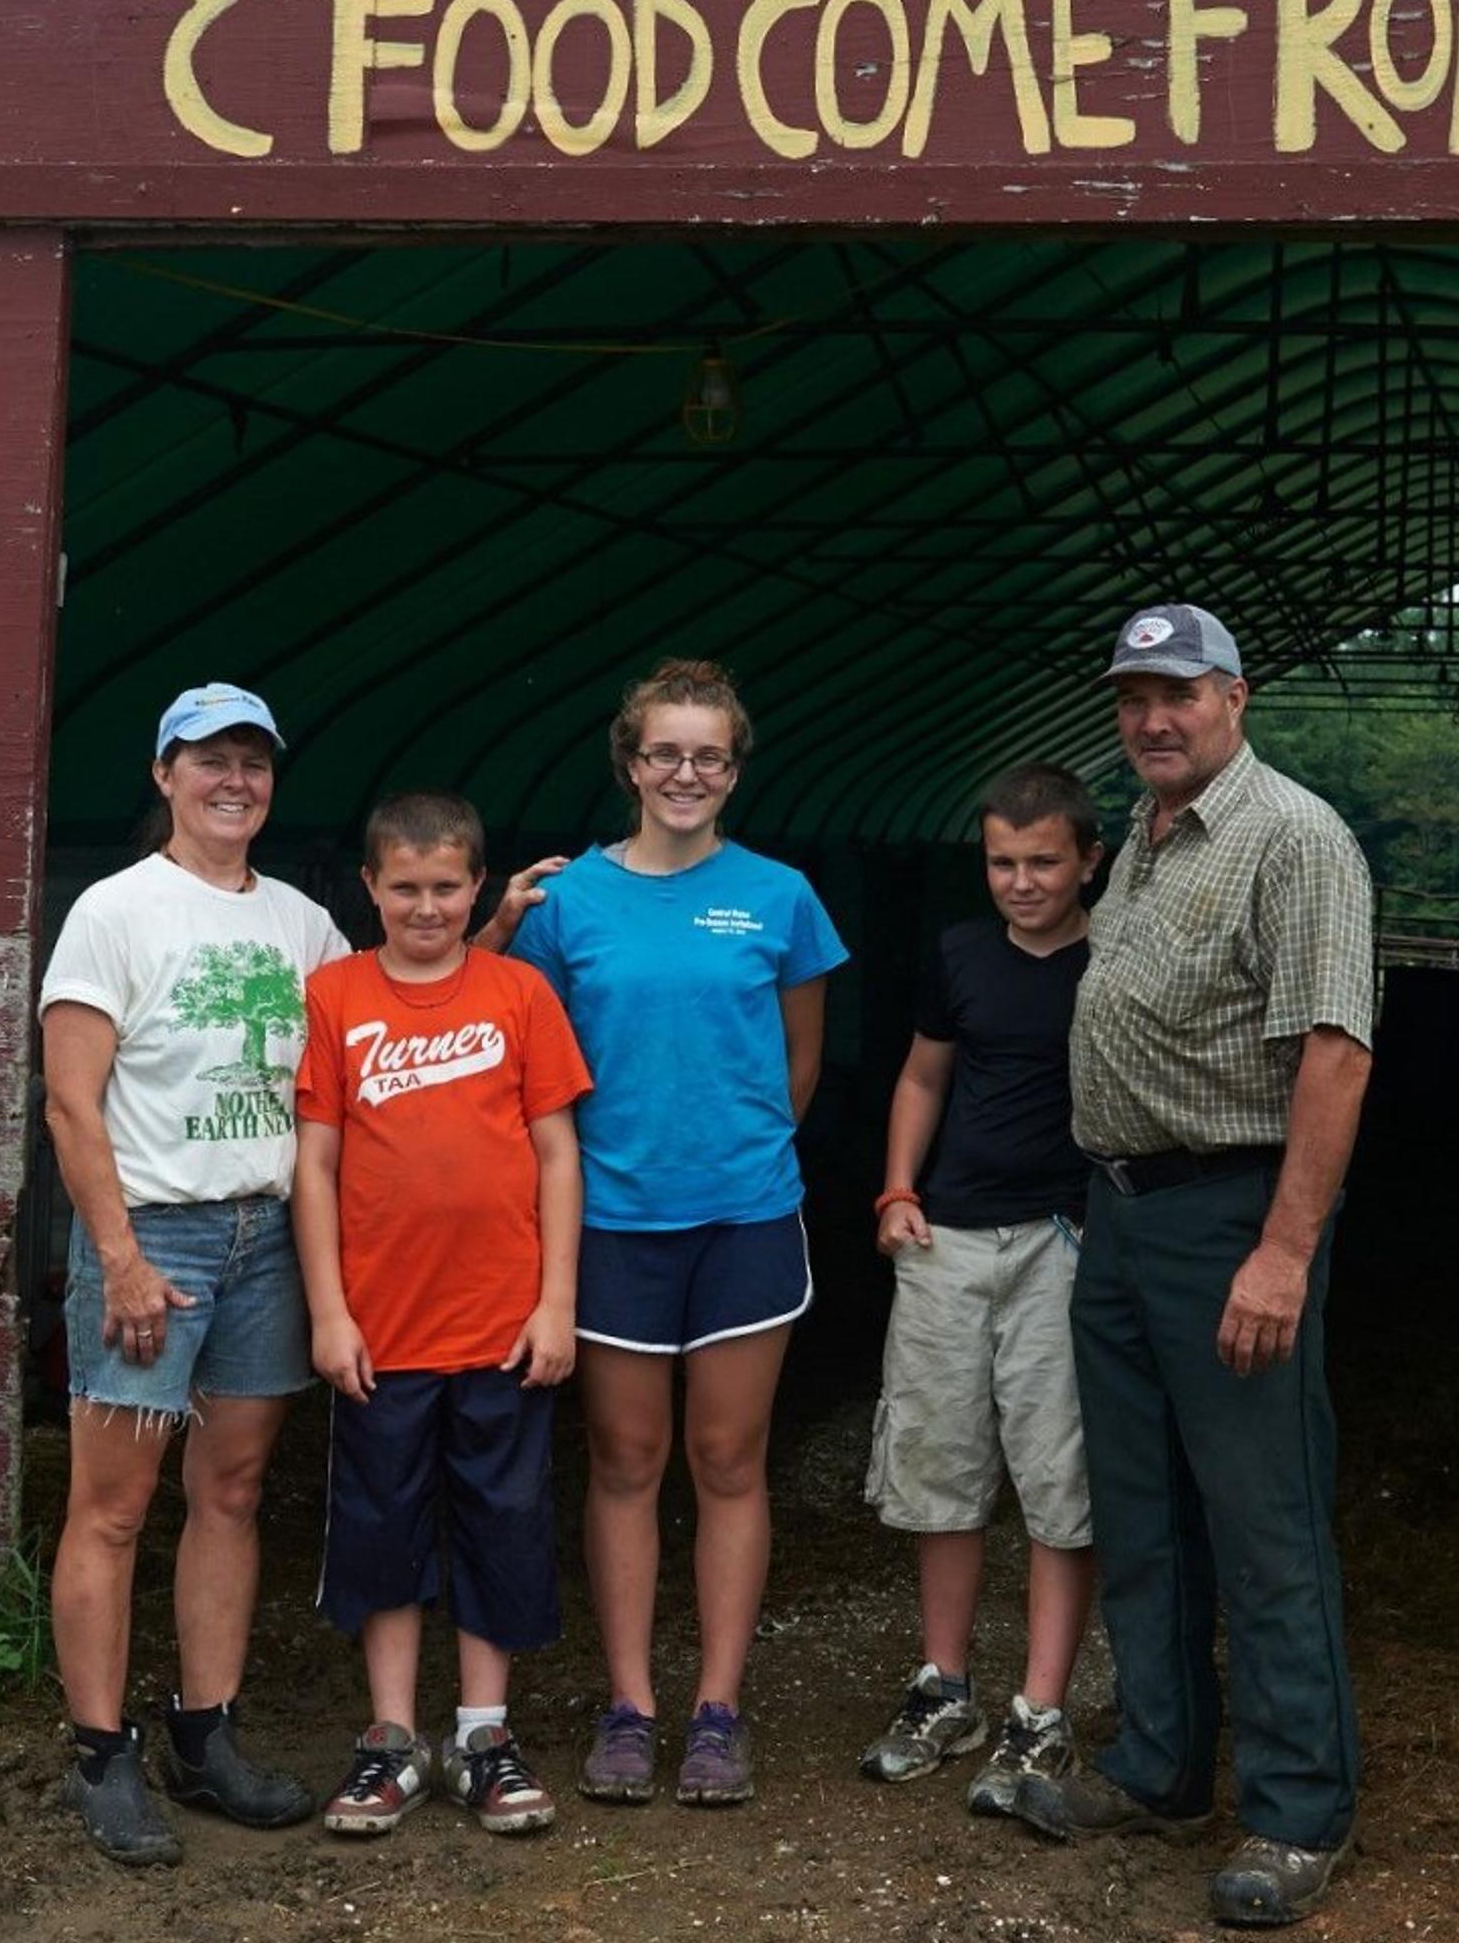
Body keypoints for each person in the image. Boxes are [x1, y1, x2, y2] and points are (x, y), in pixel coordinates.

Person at [1012, 605, 1376, 1932]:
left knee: (1263, 1513)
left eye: (1179, 692)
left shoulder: (1295, 836)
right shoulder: (1153, 838)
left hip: (1232, 1210)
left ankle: (1296, 1809)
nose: (1153, 717)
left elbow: (1335, 1049)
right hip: (1123, 1210)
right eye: (1133, 696)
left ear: (1236, 694)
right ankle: (1161, 1766)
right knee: (1145, 1507)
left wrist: (1286, 1249)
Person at [489, 659, 848, 1809]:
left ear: (735, 770)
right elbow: (511, 1044)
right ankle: (631, 1704)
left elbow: (799, 1060)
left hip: (743, 1218)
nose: (686, 772)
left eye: (709, 755)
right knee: (626, 1460)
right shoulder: (569, 904)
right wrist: (499, 917)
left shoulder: (783, 894)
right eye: (665, 752)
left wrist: (735, 1153)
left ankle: (718, 1710)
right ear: (629, 763)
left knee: (729, 1460)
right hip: (610, 1223)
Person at [37, 683, 346, 1868]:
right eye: (209, 759)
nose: (235, 781)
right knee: (111, 1507)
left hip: (263, 1233)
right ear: (163, 774)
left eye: (254, 762)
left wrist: (494, 938)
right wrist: (114, 1255)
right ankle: (101, 1752)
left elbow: (381, 1007)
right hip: (152, 1237)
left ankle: (203, 1734)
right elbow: (72, 1101)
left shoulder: (301, 923)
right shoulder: (115, 913)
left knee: (231, 1490)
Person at [292, 791, 591, 1841]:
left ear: (478, 886)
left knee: (500, 1522)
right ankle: (388, 1739)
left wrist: (557, 1303)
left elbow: (558, 1151)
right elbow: (316, 1164)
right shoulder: (334, 995)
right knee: (383, 1525)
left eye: (447, 887)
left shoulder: (517, 993)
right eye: (405, 887)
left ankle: (481, 1734)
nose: (427, 907)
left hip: (502, 1325)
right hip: (383, 1330)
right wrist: (329, 1313)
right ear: (369, 886)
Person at [859, 762, 1105, 1813]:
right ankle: (944, 1685)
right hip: (950, 1235)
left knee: (1058, 1472)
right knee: (940, 1462)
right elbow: (924, 1074)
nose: (1021, 880)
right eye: (1002, 861)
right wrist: (897, 1189)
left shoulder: (1115, 958)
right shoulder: (961, 953)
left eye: (1044, 860)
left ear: (1090, 859)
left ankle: (1040, 1709)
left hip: (1064, 1237)